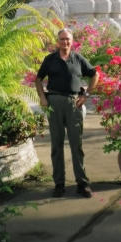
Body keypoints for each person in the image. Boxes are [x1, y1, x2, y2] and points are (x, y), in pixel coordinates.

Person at [35, 27, 99, 198]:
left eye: (67, 39)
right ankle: (59, 183)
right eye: (62, 39)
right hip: (54, 102)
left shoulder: (78, 59)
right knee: (56, 144)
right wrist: (42, 97)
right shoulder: (50, 59)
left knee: (76, 145)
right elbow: (38, 79)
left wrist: (86, 95)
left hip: (73, 103)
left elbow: (95, 74)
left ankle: (82, 183)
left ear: (72, 41)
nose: (65, 42)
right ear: (58, 41)